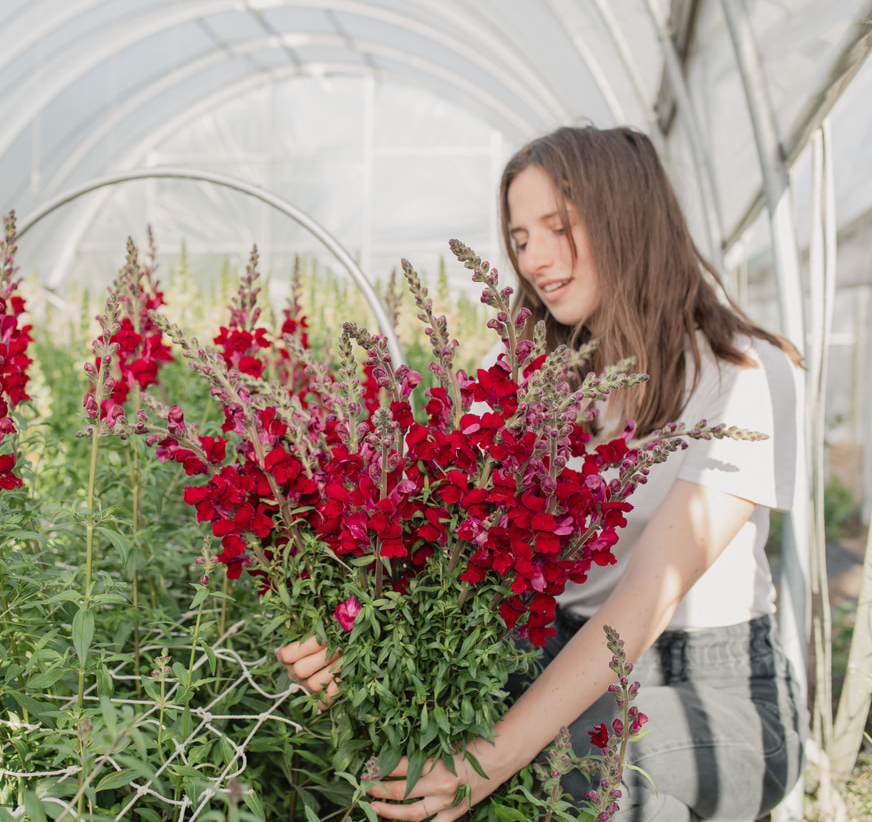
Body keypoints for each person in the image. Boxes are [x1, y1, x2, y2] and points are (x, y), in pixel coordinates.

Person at [278, 125, 805, 821]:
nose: (534, 259)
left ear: (627, 218)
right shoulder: (547, 388)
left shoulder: (741, 374)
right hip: (553, 659)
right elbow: (462, 547)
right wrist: (357, 638)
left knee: (569, 771)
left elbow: (645, 600)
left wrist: (482, 762)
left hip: (713, 686)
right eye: (521, 237)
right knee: (404, 749)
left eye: (559, 226)